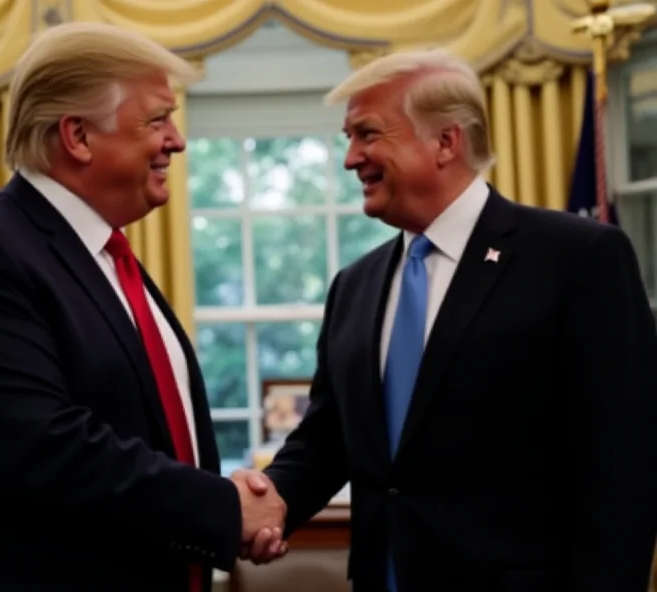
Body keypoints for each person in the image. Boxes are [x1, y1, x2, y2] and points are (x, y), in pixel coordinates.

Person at [0, 22, 286, 592]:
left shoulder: (110, 259)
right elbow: (37, 448)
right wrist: (222, 507)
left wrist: (229, 512)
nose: (177, 139)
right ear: (78, 136)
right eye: (156, 119)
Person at [241, 48, 657, 591]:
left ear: (445, 142)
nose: (350, 158)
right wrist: (262, 504)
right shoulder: (355, 286)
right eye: (349, 137)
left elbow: (624, 463)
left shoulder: (577, 257)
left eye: (367, 134)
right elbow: (329, 440)